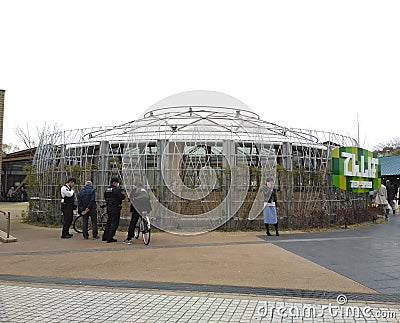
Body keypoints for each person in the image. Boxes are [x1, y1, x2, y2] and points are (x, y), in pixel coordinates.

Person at [103, 177, 125, 243]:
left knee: (109, 222)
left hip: (109, 207)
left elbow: (105, 197)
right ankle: (110, 237)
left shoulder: (107, 189)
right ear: (114, 182)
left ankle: (105, 236)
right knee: (114, 222)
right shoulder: (116, 189)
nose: (118, 184)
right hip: (115, 207)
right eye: (117, 182)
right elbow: (121, 197)